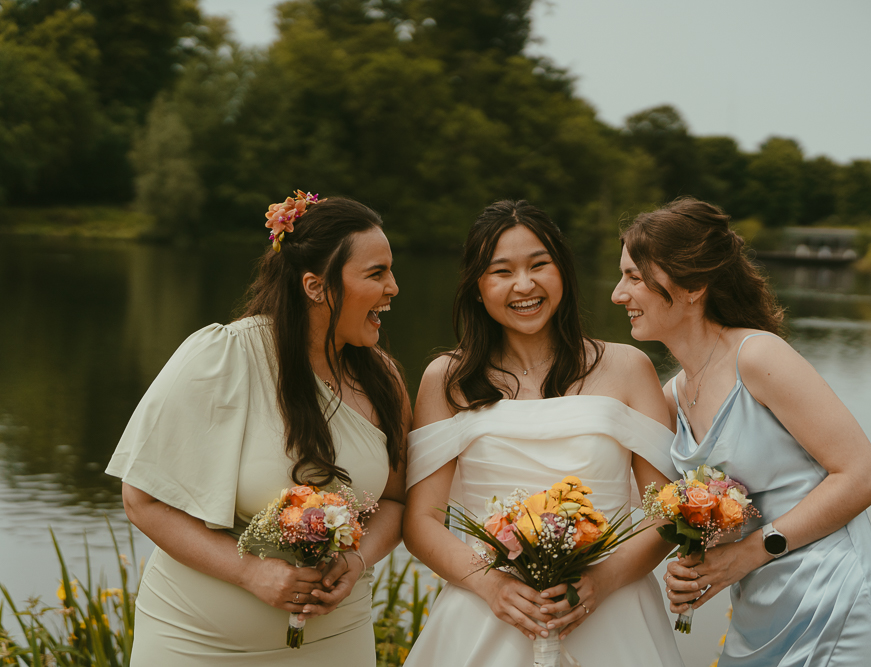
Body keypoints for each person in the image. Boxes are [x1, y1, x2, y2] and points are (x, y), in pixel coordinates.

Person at [105, 195, 410, 665]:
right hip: (196, 643)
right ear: (316, 286)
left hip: (335, 643)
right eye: (376, 273)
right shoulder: (220, 358)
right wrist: (250, 572)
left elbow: (395, 500)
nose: (393, 287)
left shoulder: (383, 379)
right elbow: (142, 500)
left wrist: (357, 558)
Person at [613, 197, 871, 666]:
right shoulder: (672, 396)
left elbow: (865, 476)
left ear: (693, 286)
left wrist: (751, 551)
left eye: (633, 277)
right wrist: (696, 560)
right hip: (756, 614)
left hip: (836, 604)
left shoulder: (757, 356)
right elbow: (641, 499)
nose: (617, 294)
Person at [402, 200, 685, 666]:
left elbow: (664, 512)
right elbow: (421, 521)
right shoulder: (446, 379)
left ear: (563, 273)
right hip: (486, 613)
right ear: (477, 288)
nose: (524, 285)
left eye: (539, 265)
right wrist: (491, 585)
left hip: (613, 609)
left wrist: (601, 583)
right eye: (502, 271)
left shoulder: (629, 367)